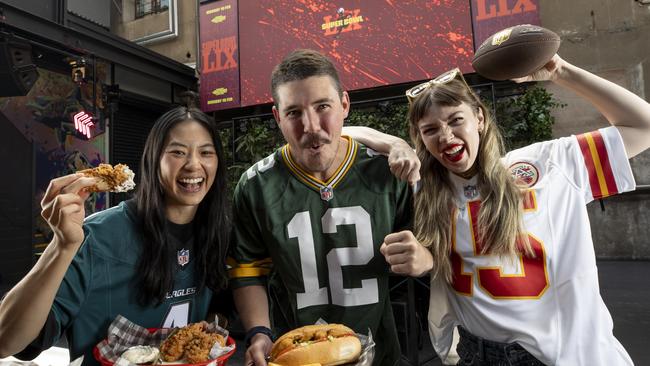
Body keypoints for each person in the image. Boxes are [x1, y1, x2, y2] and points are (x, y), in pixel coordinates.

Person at [359, 54, 650, 365]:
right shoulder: (427, 189)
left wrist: (562, 72)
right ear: (421, 139)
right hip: (475, 351)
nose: (445, 136)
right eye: (430, 130)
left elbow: (642, 125)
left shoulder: (548, 163)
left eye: (456, 120)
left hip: (559, 354)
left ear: (480, 119)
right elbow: (342, 132)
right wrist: (395, 145)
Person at [227, 49, 433, 366]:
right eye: (294, 112)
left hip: (380, 351)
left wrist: (424, 257)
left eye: (323, 106)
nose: (310, 125)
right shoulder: (256, 186)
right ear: (277, 117)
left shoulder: (386, 171)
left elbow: (431, 244)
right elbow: (248, 269)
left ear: (345, 105)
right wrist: (259, 331)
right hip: (291, 353)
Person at [0, 106, 231, 365]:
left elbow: (219, 312)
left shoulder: (216, 233)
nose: (193, 164)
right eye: (177, 152)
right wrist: (62, 246)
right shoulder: (96, 236)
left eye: (206, 153)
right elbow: (7, 341)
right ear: (153, 160)